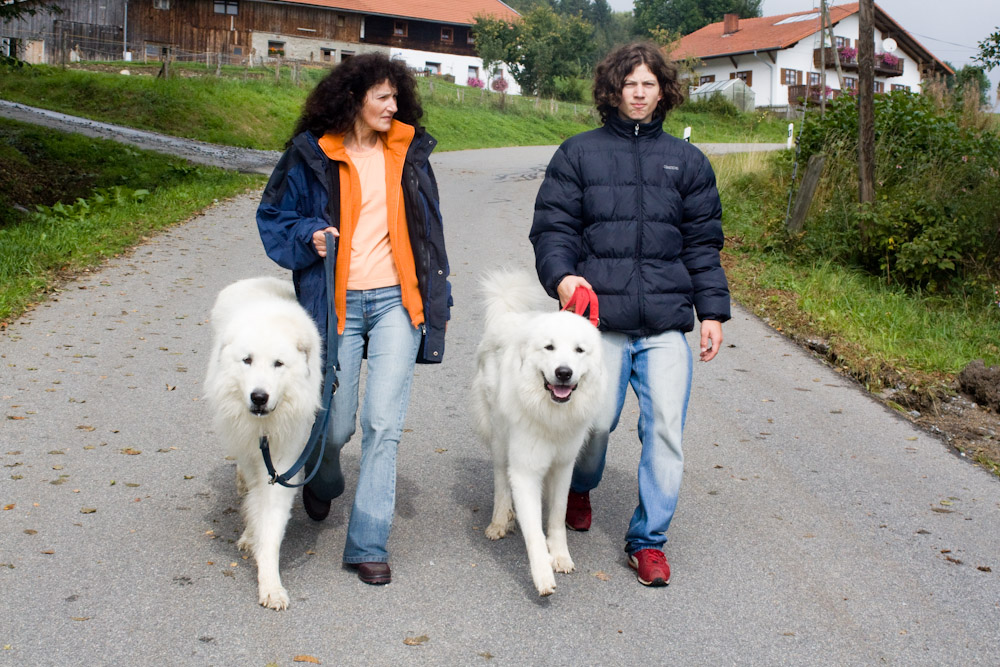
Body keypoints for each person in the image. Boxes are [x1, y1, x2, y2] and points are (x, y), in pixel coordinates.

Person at [529, 42, 730, 587]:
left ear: (662, 89)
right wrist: (563, 276)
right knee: (594, 427)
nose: (639, 93)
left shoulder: (687, 162)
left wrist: (711, 311)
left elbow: (702, 244)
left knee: (665, 431)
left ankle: (647, 541)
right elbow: (553, 229)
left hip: (666, 323)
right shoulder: (578, 153)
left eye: (648, 83)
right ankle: (577, 484)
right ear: (613, 90)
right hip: (599, 326)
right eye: (629, 83)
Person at [256, 53, 451, 585]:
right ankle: (322, 475)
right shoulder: (311, 155)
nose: (393, 106)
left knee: (383, 425)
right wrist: (308, 237)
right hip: (334, 301)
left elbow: (430, 235)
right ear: (353, 99)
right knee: (335, 422)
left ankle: (368, 544)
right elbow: (274, 217)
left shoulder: (408, 152)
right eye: (382, 97)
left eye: (395, 97)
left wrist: (437, 305)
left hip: (395, 301)